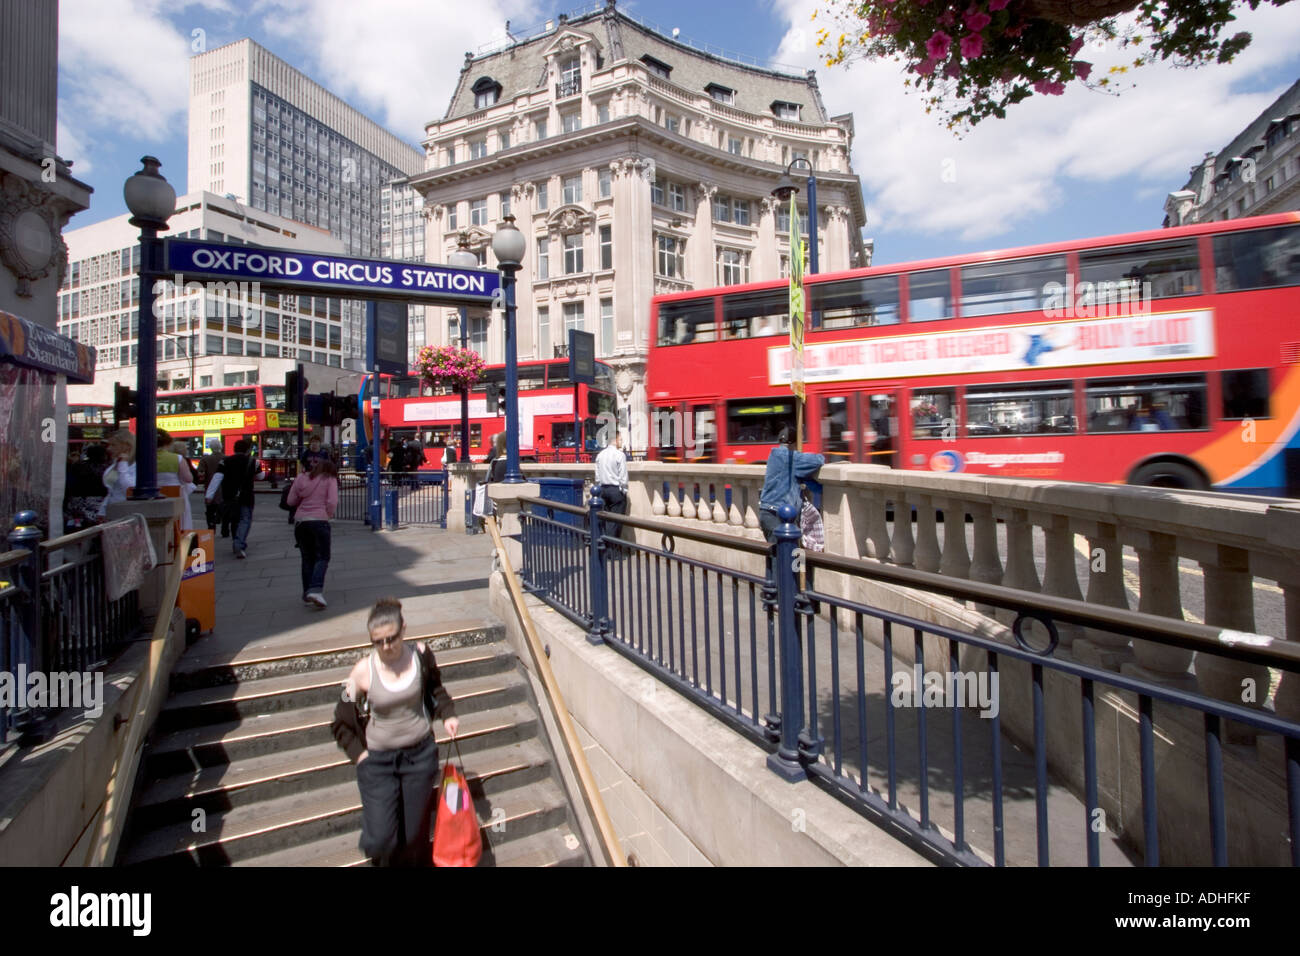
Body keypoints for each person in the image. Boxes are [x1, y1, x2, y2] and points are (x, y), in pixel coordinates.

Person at [331, 597, 459, 866]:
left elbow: (436, 690)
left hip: (420, 755)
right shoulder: (361, 672)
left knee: (414, 837)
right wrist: (360, 756)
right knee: (380, 839)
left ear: (404, 631)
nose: (386, 647)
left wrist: (447, 715)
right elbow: (340, 722)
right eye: (378, 641)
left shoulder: (421, 655)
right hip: (378, 762)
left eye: (391, 638)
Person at [287, 455, 339, 607]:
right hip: (320, 521)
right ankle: (316, 589)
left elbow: (291, 501)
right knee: (322, 557)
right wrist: (328, 515)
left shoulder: (300, 478)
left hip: (301, 523)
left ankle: (307, 592)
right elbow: (332, 502)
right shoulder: (330, 479)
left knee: (307, 558)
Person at [759, 425, 824, 544]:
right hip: (779, 515)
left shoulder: (774, 455)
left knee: (775, 556)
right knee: (784, 558)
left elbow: (803, 478)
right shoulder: (791, 457)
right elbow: (818, 460)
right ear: (794, 443)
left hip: (767, 512)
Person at [205, 438, 258, 559]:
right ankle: (239, 543)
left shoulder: (225, 461)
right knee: (245, 519)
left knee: (234, 519)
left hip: (229, 495)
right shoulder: (253, 461)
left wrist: (209, 495)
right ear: (248, 450)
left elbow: (216, 478)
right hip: (247, 495)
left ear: (234, 449)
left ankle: (236, 540)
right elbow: (261, 475)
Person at [594, 430, 629, 541]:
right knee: (616, 522)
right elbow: (623, 477)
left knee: (605, 520)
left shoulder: (600, 455)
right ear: (615, 440)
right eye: (620, 439)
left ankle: (605, 547)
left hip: (603, 490)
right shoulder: (620, 455)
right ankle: (612, 550)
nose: (621, 441)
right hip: (616, 491)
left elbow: (597, 477)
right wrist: (623, 490)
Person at [64, 443, 108, 532]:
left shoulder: (77, 466)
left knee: (78, 526)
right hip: (98, 502)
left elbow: (70, 484)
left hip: (77, 501)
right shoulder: (106, 468)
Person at [100, 429, 136, 514]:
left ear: (126, 445)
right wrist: (102, 510)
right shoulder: (114, 464)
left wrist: (123, 465)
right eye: (109, 445)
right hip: (111, 509)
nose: (109, 449)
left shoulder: (136, 466)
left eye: (113, 445)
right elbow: (111, 491)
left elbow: (128, 489)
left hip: (126, 510)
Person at [197, 438, 225, 532]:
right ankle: (225, 530)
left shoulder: (205, 459)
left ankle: (211, 527)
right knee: (224, 508)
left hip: (209, 487)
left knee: (210, 510)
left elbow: (201, 473)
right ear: (220, 447)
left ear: (211, 448)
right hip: (224, 488)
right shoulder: (226, 458)